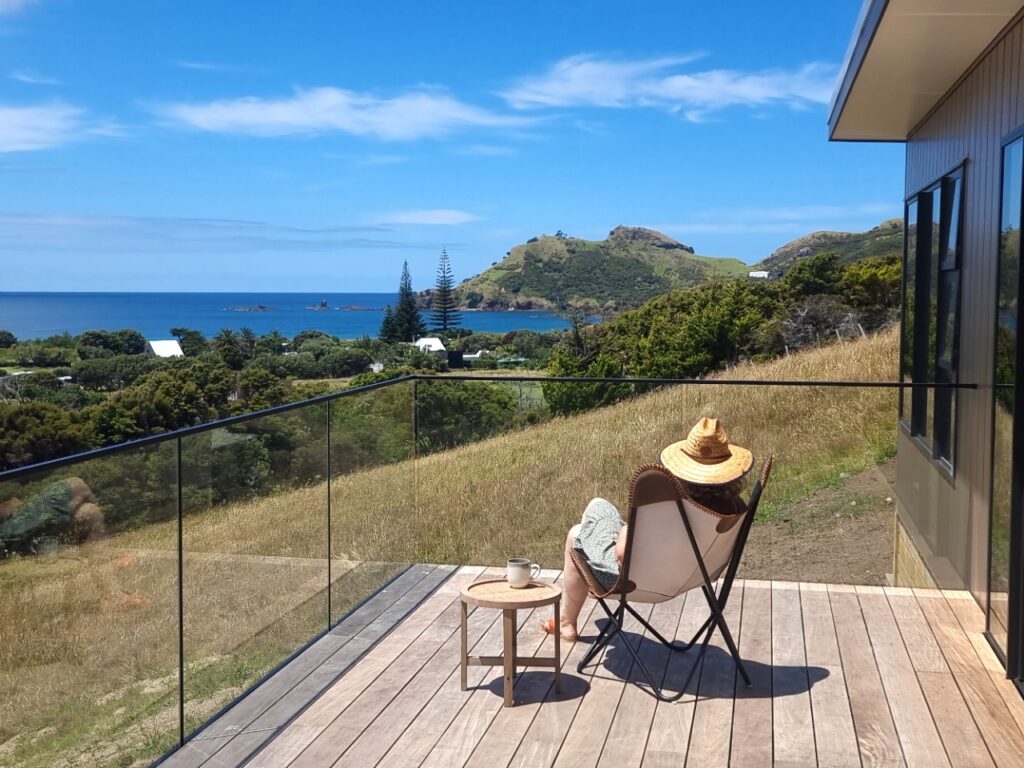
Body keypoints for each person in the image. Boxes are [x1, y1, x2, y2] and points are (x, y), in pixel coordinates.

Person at [542, 417, 752, 640]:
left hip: (634, 581)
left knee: (578, 533)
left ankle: (566, 623)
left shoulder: (667, 510)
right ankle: (568, 616)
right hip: (695, 574)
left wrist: (625, 532)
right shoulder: (733, 509)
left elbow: (621, 554)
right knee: (599, 508)